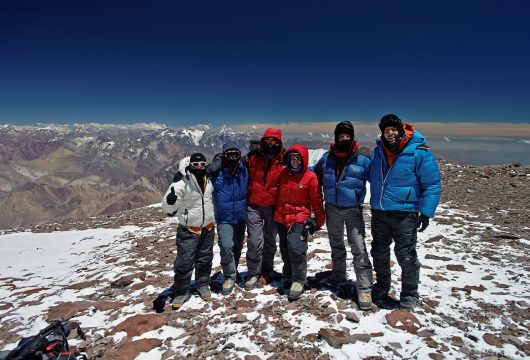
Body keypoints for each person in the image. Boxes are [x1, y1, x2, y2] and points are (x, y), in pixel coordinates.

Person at [369, 114, 441, 311]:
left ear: (400, 130)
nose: (390, 133)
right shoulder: (377, 153)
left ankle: (409, 293)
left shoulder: (418, 152)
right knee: (379, 251)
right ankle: (382, 285)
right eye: (386, 130)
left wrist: (426, 212)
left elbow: (432, 183)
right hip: (380, 211)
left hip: (405, 213)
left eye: (393, 129)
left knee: (406, 254)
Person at [311, 121, 373, 310]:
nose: (344, 138)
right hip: (332, 207)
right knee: (336, 243)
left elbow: (378, 179)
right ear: (336, 137)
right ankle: (338, 274)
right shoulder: (327, 157)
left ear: (352, 137)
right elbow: (314, 172)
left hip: (353, 208)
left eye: (347, 135)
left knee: (358, 247)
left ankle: (364, 287)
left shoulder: (362, 159)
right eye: (341, 136)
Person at [161, 153, 216, 309]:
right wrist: (170, 202)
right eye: (196, 164)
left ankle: (203, 285)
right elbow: (167, 207)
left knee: (205, 259)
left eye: (202, 164)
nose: (199, 167)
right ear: (190, 165)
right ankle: (181, 292)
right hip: (188, 229)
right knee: (184, 262)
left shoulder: (209, 179)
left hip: (208, 228)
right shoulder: (181, 182)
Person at [274, 145, 325, 300]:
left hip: (300, 217)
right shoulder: (283, 173)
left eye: (297, 158)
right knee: (285, 249)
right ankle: (288, 276)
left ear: (303, 159)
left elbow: (316, 200)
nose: (294, 161)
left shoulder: (310, 177)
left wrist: (319, 221)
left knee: (296, 249)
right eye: (292, 158)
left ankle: (299, 280)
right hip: (281, 217)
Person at [244, 128, 285, 290]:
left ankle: (267, 271)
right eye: (267, 141)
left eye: (273, 142)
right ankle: (253, 272)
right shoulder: (253, 158)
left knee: (269, 241)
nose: (270, 144)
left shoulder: (283, 160)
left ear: (279, 143)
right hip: (254, 205)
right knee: (254, 241)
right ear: (262, 142)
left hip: (272, 207)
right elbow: (232, 164)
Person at [208, 141, 249, 295]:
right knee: (226, 245)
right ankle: (229, 276)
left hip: (240, 216)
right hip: (224, 217)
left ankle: (234, 270)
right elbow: (199, 176)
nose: (232, 156)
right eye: (229, 153)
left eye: (235, 152)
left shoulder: (245, 169)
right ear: (224, 154)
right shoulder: (216, 171)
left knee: (237, 246)